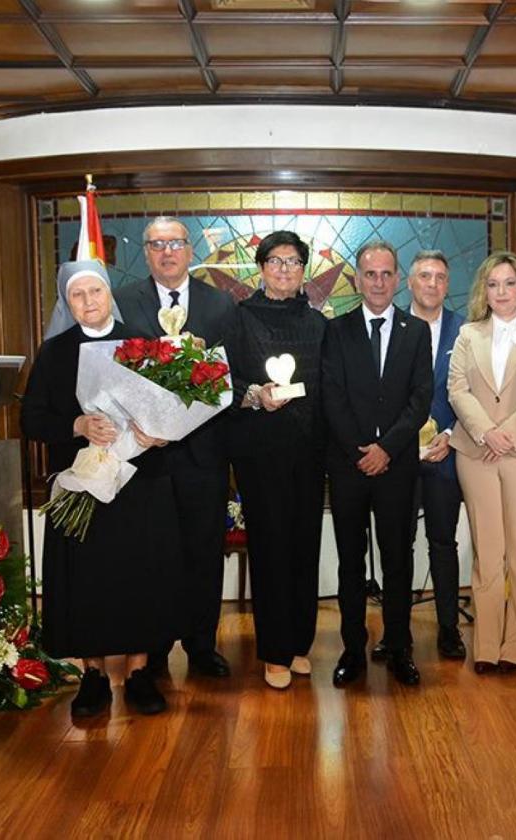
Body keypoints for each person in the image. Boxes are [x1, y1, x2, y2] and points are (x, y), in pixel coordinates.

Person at [23, 260, 180, 716]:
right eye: (78, 295)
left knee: (141, 577)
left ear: (110, 293)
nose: (89, 302)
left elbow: (172, 405)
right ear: (66, 302)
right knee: (85, 582)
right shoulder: (54, 353)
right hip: (83, 484)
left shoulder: (144, 344)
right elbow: (32, 418)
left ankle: (137, 672)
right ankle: (92, 675)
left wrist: (159, 430)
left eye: (96, 292)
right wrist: (76, 423)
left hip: (140, 484)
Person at [114, 216, 236, 679]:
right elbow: (115, 373)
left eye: (175, 244)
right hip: (146, 455)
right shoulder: (124, 303)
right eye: (157, 244)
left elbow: (229, 377)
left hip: (204, 454)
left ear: (190, 251)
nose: (167, 252)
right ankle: (155, 649)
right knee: (153, 554)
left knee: (204, 552)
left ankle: (202, 645)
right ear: (146, 253)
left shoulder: (220, 304)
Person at [323, 240, 433, 688]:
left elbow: (420, 398)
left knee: (397, 561)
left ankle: (399, 646)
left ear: (397, 277)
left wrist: (386, 448)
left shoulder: (416, 331)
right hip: (349, 466)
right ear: (356, 278)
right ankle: (352, 648)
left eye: (387, 274)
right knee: (350, 562)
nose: (379, 282)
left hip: (397, 466)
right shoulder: (337, 330)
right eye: (370, 274)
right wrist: (360, 450)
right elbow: (332, 397)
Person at [225, 231, 327, 690]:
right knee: (270, 549)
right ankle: (273, 652)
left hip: (309, 452)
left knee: (305, 546)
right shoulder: (239, 319)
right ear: (261, 267)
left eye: (293, 261)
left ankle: (300, 643)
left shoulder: (319, 324)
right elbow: (222, 381)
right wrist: (254, 395)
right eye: (275, 260)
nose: (285, 269)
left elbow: (329, 387)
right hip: (260, 452)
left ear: (304, 269)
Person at [448, 253, 516, 674]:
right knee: (487, 554)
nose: (502, 292)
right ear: (483, 292)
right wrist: (487, 431)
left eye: (509, 284)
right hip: (477, 453)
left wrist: (509, 432)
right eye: (493, 285)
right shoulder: (468, 334)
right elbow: (457, 388)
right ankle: (487, 645)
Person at [388, 249, 467, 662]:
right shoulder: (392, 326)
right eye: (424, 276)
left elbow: (474, 390)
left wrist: (451, 434)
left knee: (443, 542)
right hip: (400, 456)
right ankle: (394, 632)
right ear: (410, 282)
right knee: (397, 545)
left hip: (446, 454)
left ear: (447, 284)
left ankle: (449, 629)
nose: (432, 283)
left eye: (439, 276)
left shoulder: (466, 330)